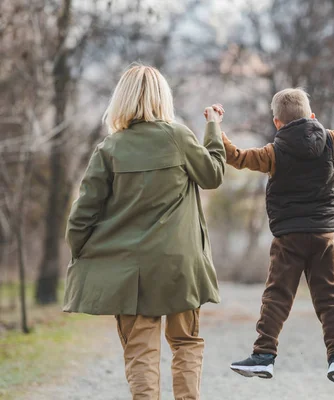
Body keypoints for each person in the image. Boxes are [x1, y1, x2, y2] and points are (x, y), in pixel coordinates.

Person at [63, 64, 226, 400]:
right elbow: (212, 175)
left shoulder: (109, 149)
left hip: (129, 271)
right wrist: (212, 128)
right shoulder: (179, 137)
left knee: (141, 352)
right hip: (180, 266)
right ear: (162, 98)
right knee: (186, 343)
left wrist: (81, 251)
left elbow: (83, 214)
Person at [221, 87, 334, 395]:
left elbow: (237, 157)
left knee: (277, 296)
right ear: (311, 117)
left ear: (277, 123)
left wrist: (215, 129)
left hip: (289, 237)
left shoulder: (273, 152)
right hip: (324, 236)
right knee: (330, 300)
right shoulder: (330, 140)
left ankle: (264, 354)